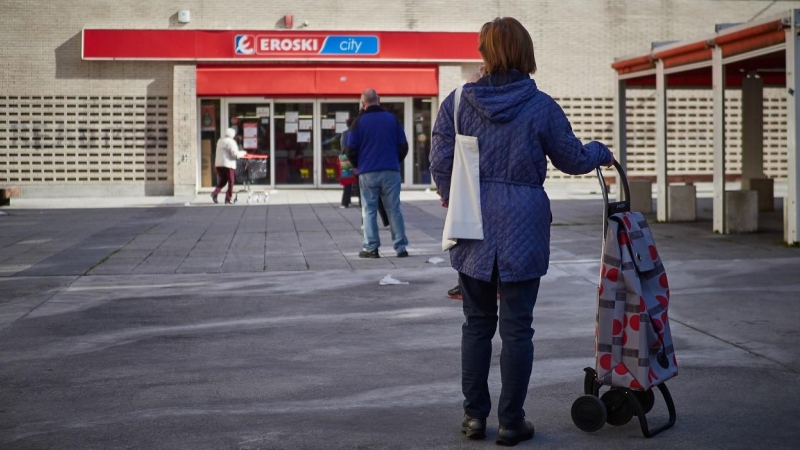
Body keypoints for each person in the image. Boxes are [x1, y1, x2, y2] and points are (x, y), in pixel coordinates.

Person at [429, 17, 614, 446]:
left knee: (476, 324)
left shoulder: (456, 102)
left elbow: (440, 161)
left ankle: (475, 418)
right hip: (524, 224)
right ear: (526, 52)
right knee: (518, 328)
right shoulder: (540, 105)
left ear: (485, 52)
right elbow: (570, 157)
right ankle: (512, 422)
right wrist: (600, 152)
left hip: (472, 222)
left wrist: (449, 194)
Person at [346, 88, 410, 258]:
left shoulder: (358, 122)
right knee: (394, 209)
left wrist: (358, 165)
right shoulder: (392, 119)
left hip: (368, 172)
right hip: (391, 170)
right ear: (378, 100)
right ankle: (401, 247)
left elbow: (350, 149)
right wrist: (395, 161)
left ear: (363, 103)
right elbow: (403, 145)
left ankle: (371, 248)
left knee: (369, 210)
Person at [211, 127, 246, 204]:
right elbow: (235, 155)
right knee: (231, 181)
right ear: (233, 134)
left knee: (223, 180)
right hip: (228, 164)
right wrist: (243, 153)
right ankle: (228, 198)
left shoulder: (220, 140)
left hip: (219, 164)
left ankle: (215, 193)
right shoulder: (231, 142)